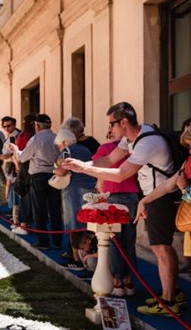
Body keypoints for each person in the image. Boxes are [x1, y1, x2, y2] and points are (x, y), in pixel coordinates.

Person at [63, 102, 181, 315]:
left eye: (112, 124)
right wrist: (82, 165)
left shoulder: (146, 143)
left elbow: (120, 173)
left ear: (124, 122)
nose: (110, 130)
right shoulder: (133, 137)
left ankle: (168, 301)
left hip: (161, 196)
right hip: (153, 195)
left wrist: (84, 169)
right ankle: (173, 292)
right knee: (161, 247)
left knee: (160, 248)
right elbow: (109, 159)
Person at [93, 129, 139, 297]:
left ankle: (117, 279)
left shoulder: (105, 149)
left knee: (113, 240)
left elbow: (97, 170)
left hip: (113, 195)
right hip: (132, 194)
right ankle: (128, 279)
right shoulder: (133, 149)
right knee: (129, 239)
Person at [11, 114, 61, 250]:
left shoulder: (36, 139)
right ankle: (57, 241)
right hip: (54, 175)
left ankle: (43, 242)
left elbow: (22, 157)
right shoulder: (56, 137)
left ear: (37, 126)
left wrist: (16, 150)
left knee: (40, 210)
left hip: (39, 175)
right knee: (55, 209)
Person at [53, 128, 96, 270]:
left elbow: (62, 170)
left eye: (59, 144)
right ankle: (89, 259)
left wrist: (55, 171)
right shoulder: (85, 150)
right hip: (89, 188)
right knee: (88, 227)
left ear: (64, 142)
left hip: (74, 191)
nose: (59, 148)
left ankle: (78, 260)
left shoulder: (67, 151)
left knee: (74, 226)